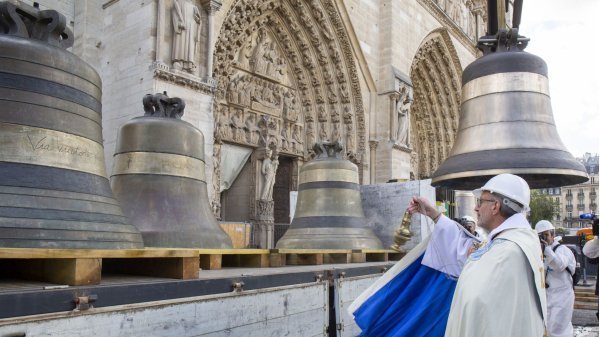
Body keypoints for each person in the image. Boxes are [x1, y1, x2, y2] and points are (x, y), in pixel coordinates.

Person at [536, 220, 576, 337]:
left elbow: (560, 265)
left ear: (553, 235)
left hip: (562, 297)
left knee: (560, 330)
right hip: (547, 296)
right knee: (547, 328)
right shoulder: (540, 252)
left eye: (546, 235)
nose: (544, 238)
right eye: (540, 236)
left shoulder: (563, 250)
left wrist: (547, 250)